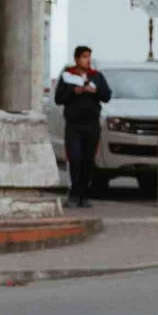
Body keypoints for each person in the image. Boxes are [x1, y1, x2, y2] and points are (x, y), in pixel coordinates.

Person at [52, 45, 109, 205]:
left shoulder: (96, 76)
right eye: (84, 56)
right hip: (74, 124)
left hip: (91, 124)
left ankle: (84, 194)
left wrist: (95, 91)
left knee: (88, 159)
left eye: (89, 56)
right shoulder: (67, 76)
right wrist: (73, 92)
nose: (87, 60)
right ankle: (74, 192)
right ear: (77, 59)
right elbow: (58, 98)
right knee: (75, 157)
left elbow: (107, 95)